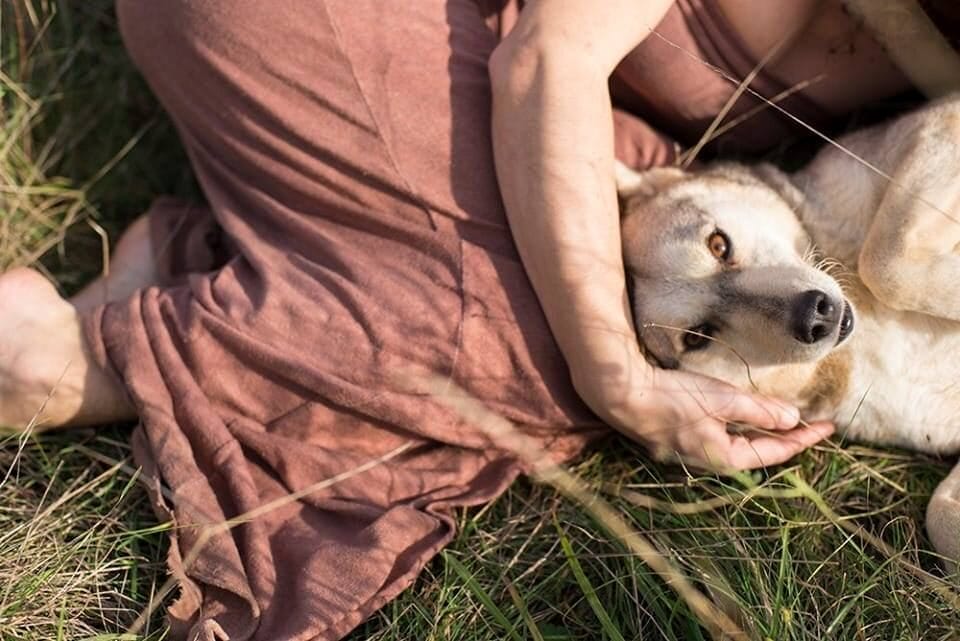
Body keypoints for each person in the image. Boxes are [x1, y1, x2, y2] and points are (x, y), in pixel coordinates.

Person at [1, 1, 953, 639]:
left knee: (605, 276)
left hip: (591, 112)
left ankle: (202, 267)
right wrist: (612, 373)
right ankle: (84, 358)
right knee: (540, 339)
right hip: (369, 23)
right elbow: (549, 60)